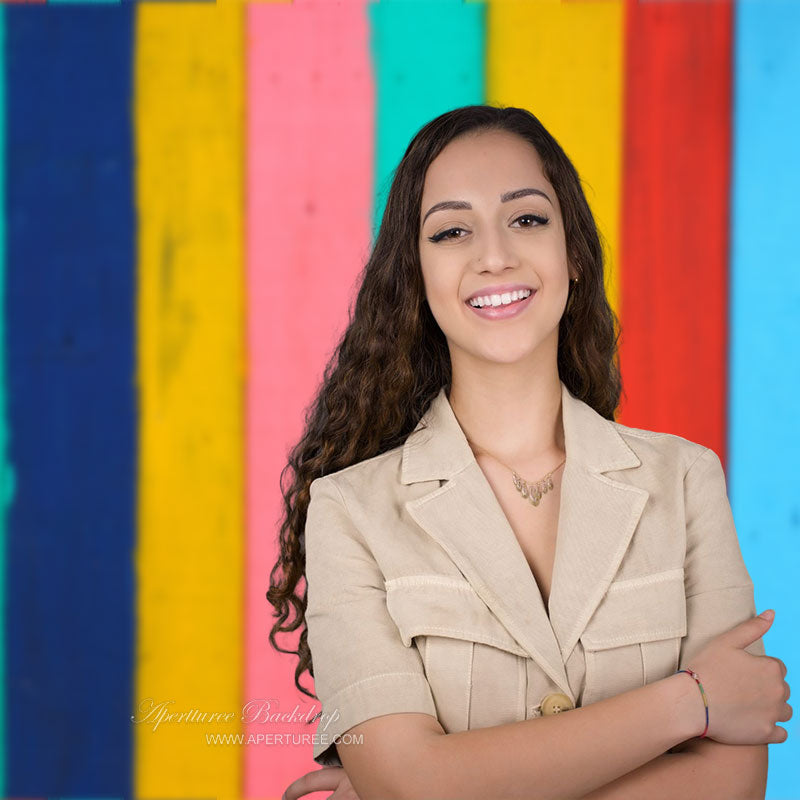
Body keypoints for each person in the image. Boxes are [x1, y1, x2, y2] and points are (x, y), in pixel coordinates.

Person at [268, 105, 791, 800]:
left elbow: (733, 784)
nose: (494, 255)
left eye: (527, 219)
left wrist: (437, 785)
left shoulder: (687, 481)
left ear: (572, 251)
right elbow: (411, 784)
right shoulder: (348, 512)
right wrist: (690, 702)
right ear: (416, 277)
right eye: (452, 231)